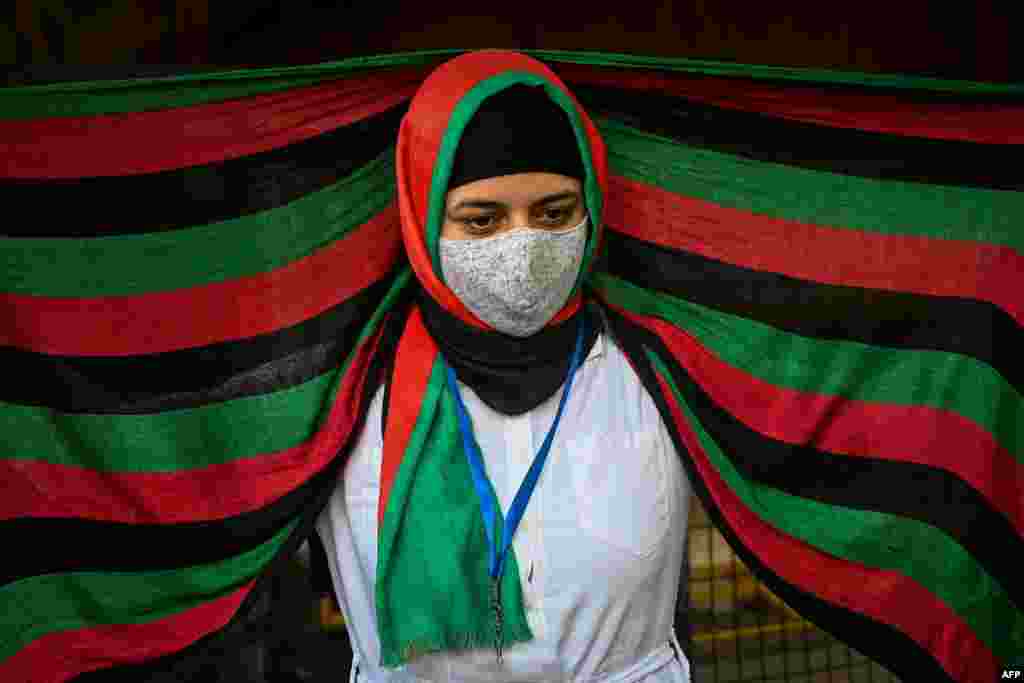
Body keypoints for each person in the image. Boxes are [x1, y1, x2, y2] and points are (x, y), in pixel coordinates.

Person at [315, 49, 694, 682]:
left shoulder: (654, 371)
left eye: (553, 214)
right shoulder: (345, 387)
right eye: (482, 220)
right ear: (423, 216)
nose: (523, 247)